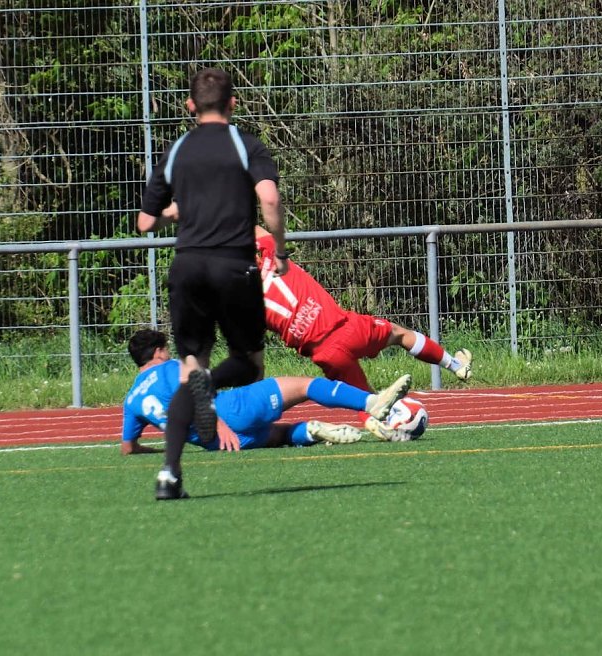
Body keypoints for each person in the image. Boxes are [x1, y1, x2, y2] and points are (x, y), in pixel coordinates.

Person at [136, 68, 289, 497]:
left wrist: (175, 212)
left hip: (186, 269)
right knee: (248, 362)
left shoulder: (178, 149)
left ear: (190, 106)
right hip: (232, 266)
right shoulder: (246, 144)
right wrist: (279, 248)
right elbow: (270, 199)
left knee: (190, 370)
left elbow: (146, 221)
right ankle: (211, 385)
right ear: (233, 103)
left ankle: (169, 473)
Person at [123, 330, 413, 499]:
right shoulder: (170, 368)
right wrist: (219, 422)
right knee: (307, 385)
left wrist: (154, 448)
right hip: (230, 411)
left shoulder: (132, 400)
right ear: (159, 352)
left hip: (220, 443)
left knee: (280, 434)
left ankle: (310, 431)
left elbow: (128, 448)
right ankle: (372, 403)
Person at [254, 225, 473, 438]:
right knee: (399, 334)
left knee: (364, 398)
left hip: (324, 353)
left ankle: (371, 421)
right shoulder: (274, 258)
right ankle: (455, 365)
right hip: (347, 329)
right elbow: (252, 226)